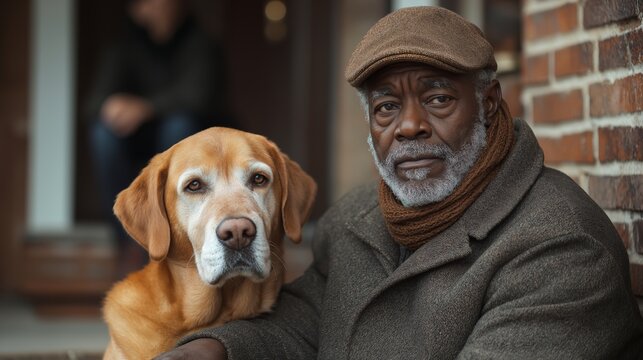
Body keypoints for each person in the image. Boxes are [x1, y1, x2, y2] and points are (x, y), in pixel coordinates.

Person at [155, 6, 643, 359]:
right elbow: (304, 324)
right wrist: (210, 351)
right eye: (387, 107)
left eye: (437, 99)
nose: (409, 126)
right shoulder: (355, 217)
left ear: (489, 104)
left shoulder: (562, 247)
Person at [87, 0, 230, 278]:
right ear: (135, 10)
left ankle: (177, 234)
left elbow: (199, 97)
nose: (154, 8)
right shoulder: (124, 46)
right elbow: (93, 103)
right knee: (102, 135)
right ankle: (129, 239)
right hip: (137, 140)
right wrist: (111, 106)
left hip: (190, 139)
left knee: (179, 126)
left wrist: (146, 108)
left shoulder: (201, 43)